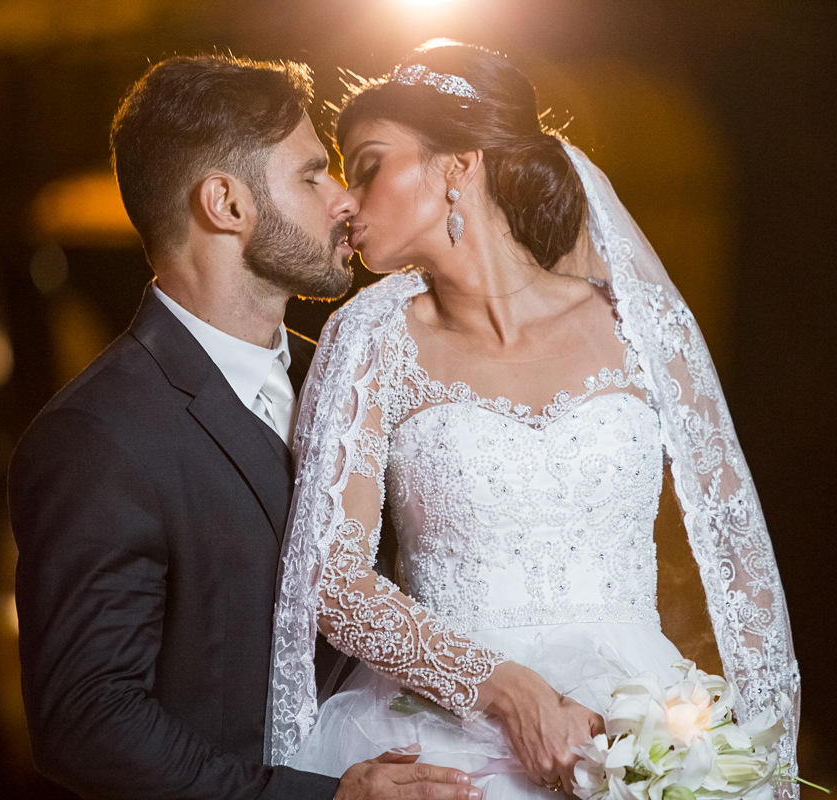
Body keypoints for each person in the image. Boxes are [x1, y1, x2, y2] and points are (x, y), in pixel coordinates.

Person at [267, 42, 801, 800]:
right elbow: (334, 579)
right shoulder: (370, 339)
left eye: (370, 163)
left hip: (632, 724)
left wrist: (647, 705)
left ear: (458, 163)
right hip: (441, 736)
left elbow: (728, 561)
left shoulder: (643, 325)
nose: (346, 200)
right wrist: (503, 688)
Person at [9, 54, 481, 800]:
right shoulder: (97, 437)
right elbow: (86, 720)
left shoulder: (343, 377)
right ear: (225, 203)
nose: (344, 202)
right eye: (310, 176)